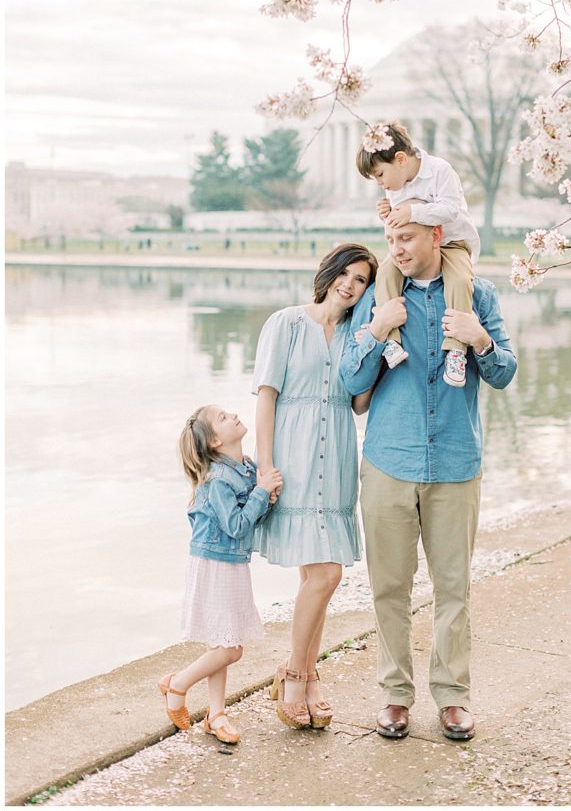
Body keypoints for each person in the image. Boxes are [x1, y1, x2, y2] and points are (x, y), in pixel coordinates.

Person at [340, 219, 517, 742]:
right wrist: (377, 328)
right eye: (390, 241)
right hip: (389, 462)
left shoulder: (477, 294)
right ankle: (395, 694)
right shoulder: (377, 296)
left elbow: (505, 372)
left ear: (436, 236)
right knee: (389, 588)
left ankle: (453, 697)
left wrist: (479, 339)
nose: (396, 250)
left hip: (456, 465)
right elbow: (351, 380)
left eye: (407, 239)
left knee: (453, 588)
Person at [252, 243, 378, 730]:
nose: (350, 284)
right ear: (328, 273)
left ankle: (303, 674)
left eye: (362, 279)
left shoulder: (356, 334)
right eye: (346, 273)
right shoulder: (285, 322)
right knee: (324, 576)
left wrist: (377, 338)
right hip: (295, 459)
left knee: (318, 580)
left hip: (338, 459)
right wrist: (265, 467)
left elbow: (360, 402)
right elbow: (266, 397)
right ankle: (299, 675)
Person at [158, 405, 282, 745]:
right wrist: (261, 492)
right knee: (231, 649)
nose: (233, 416)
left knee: (221, 641)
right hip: (214, 564)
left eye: (228, 412)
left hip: (231, 562)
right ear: (214, 440)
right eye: (223, 418)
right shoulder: (217, 480)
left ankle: (216, 714)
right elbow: (237, 526)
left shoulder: (245, 468)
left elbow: (251, 516)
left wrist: (267, 495)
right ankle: (178, 683)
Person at [356, 121, 480, 387]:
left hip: (452, 242)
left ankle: (456, 350)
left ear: (400, 159)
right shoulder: (394, 186)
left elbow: (451, 210)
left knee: (458, 280)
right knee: (387, 273)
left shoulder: (440, 170)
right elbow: (401, 229)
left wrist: (412, 212)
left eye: (380, 175)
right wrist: (388, 214)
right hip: (417, 249)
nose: (380, 184)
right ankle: (391, 340)